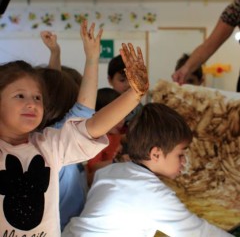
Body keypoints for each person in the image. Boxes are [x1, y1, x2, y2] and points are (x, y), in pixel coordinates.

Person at [0, 40, 149, 235]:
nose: (32, 104)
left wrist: (135, 94)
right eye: (20, 96)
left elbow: (92, 126)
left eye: (37, 98)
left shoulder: (48, 146)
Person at [62, 103, 234, 237]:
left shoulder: (111, 171)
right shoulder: (153, 194)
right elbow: (199, 233)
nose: (184, 161)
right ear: (156, 154)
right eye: (180, 154)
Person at [39, 21, 102, 230]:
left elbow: (52, 89)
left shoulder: (42, 133)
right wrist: (92, 57)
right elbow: (83, 109)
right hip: (64, 228)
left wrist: (55, 52)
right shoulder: (58, 135)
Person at [86, 87, 127, 187]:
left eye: (124, 115)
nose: (122, 121)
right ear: (97, 114)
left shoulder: (115, 134)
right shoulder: (95, 138)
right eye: (116, 116)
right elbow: (92, 169)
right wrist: (118, 161)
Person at [108, 54, 143, 124]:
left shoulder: (140, 110)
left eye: (133, 80)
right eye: (122, 80)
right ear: (110, 80)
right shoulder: (103, 105)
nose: (128, 85)